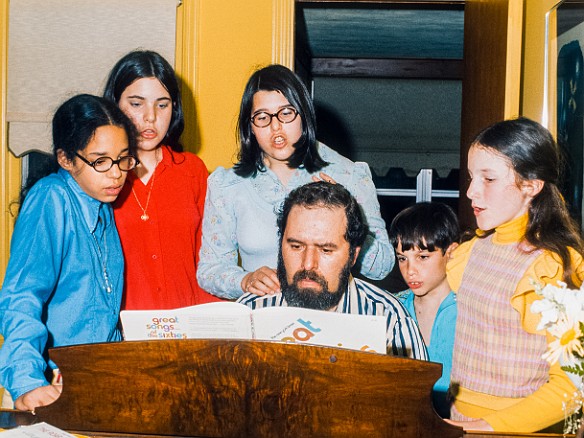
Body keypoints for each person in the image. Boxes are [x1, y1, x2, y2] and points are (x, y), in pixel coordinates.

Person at [198, 64, 393, 300]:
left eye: (286, 113)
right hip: (263, 320)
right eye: (262, 117)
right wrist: (245, 279)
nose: (276, 127)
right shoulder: (227, 185)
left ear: (304, 114)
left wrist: (350, 219)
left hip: (333, 319)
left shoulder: (347, 174)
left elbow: (383, 265)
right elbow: (209, 270)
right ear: (249, 126)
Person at [0, 94, 138, 411]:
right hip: (46, 385)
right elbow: (21, 295)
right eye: (100, 161)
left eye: (123, 158)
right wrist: (28, 381)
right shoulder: (51, 198)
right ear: (65, 159)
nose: (116, 173)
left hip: (92, 382)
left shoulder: (102, 204)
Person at [446, 117, 584, 432]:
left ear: (531, 186)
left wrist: (485, 426)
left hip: (515, 429)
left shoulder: (556, 267)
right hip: (460, 421)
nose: (470, 192)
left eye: (488, 179)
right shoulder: (474, 249)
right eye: (471, 177)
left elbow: (574, 386)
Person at [238, 181, 427, 360]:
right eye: (296, 246)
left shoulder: (390, 320)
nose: (308, 264)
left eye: (326, 250)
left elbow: (416, 393)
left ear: (353, 256)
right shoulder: (247, 314)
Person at [103, 50, 220, 310]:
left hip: (187, 331)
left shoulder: (193, 171)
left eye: (162, 104)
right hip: (121, 334)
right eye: (136, 104)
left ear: (174, 108)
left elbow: (208, 262)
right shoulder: (100, 175)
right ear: (114, 105)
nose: (151, 117)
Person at [388, 202, 459, 418]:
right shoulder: (391, 309)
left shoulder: (471, 310)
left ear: (451, 252)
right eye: (402, 259)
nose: (410, 271)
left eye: (422, 257)